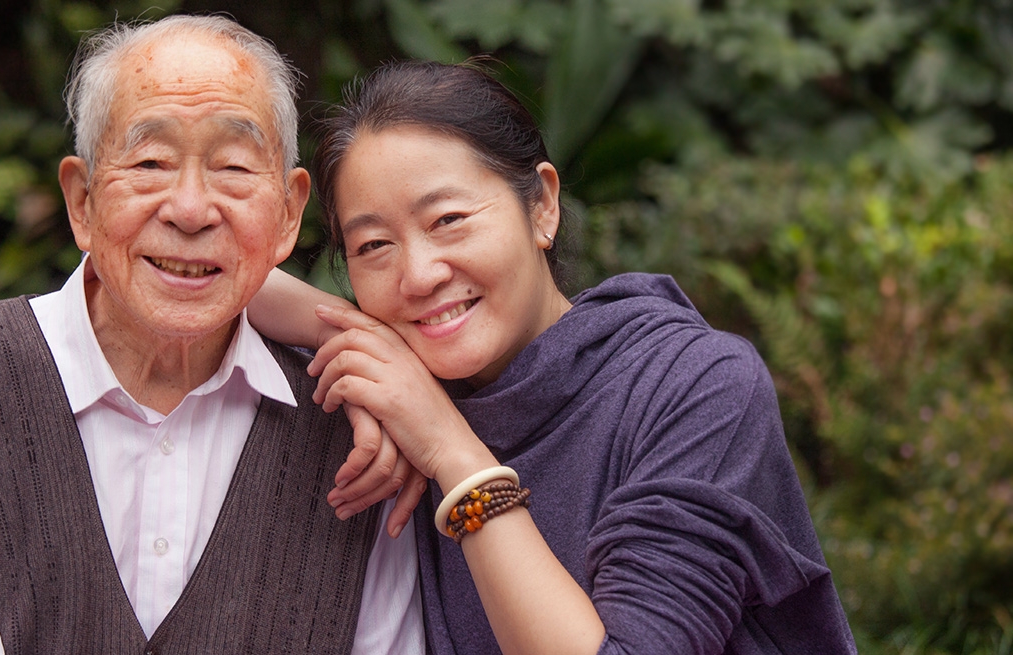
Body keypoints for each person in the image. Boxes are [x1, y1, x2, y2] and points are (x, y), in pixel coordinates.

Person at [250, 60, 858, 654]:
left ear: (542, 205)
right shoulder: (397, 383)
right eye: (373, 245)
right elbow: (209, 282)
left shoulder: (698, 386)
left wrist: (451, 450)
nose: (419, 275)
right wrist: (351, 333)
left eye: (449, 219)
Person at [0, 15, 423, 654]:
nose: (190, 209)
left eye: (234, 167)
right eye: (151, 161)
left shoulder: (354, 433)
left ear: (289, 214)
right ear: (81, 203)